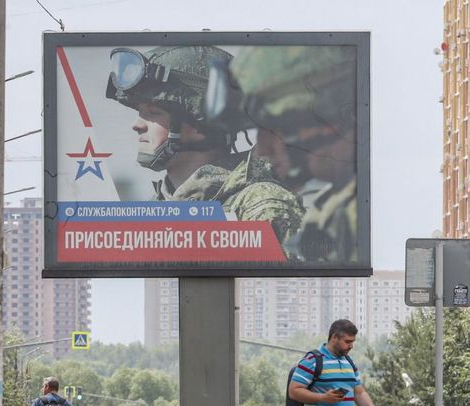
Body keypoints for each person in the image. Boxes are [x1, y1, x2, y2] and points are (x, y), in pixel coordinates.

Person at [105, 45, 305, 250]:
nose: (137, 125)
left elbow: (279, 283)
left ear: (200, 125)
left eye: (154, 113)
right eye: (141, 113)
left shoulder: (259, 205)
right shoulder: (154, 211)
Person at [208, 45, 359, 262]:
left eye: (275, 128)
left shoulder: (370, 209)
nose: (262, 149)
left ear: (328, 111)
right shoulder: (335, 206)